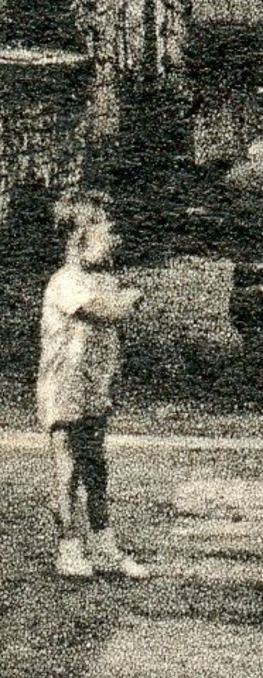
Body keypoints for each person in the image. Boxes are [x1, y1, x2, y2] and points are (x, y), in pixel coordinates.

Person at [37, 190, 148, 579]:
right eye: (103, 233)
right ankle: (69, 546)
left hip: (92, 387)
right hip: (64, 387)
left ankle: (103, 544)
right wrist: (131, 298)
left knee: (96, 466)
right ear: (76, 239)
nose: (111, 242)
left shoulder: (99, 280)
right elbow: (106, 311)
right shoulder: (65, 283)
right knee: (67, 467)